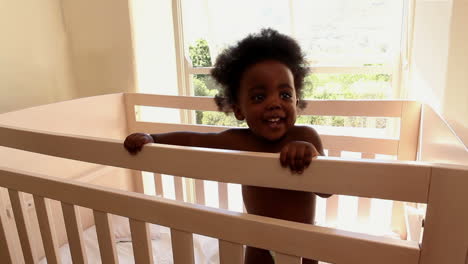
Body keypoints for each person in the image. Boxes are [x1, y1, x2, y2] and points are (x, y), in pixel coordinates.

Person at [124, 28, 330, 264]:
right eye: (259, 97)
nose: (275, 103)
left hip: (302, 245)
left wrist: (311, 155)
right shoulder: (240, 140)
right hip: (258, 243)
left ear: (296, 98)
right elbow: (195, 140)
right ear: (238, 108)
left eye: (284, 94)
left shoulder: (305, 135)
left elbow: (327, 189)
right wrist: (154, 138)